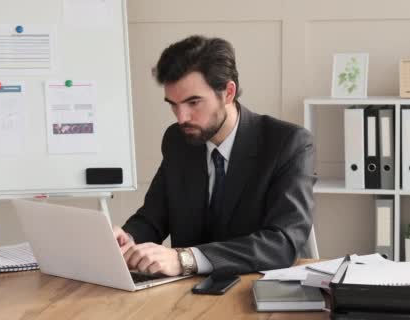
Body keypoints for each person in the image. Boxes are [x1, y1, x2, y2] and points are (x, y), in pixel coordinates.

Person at [113, 35, 316, 277]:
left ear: (228, 92)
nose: (182, 118)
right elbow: (154, 216)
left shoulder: (287, 144)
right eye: (173, 104)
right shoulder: (178, 140)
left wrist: (185, 259)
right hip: (187, 295)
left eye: (193, 102)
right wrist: (127, 238)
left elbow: (282, 243)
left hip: (254, 289)